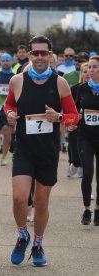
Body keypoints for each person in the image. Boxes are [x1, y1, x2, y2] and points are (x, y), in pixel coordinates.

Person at [5, 35, 79, 267]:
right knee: (19, 198)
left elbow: (73, 116)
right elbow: (8, 105)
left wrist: (58, 117)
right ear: (28, 54)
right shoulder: (18, 81)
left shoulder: (60, 83)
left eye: (43, 53)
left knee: (41, 202)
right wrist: (8, 114)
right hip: (24, 148)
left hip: (48, 151)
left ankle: (37, 243)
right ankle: (22, 235)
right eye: (35, 53)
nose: (39, 57)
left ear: (50, 55)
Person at [71, 56, 99, 225]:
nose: (91, 70)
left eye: (95, 67)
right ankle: (87, 209)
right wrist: (74, 121)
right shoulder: (82, 89)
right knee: (87, 172)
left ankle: (98, 210)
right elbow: (74, 110)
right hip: (85, 136)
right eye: (89, 67)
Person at [67, 62, 89, 178]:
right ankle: (74, 163)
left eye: (89, 71)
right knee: (75, 153)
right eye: (84, 72)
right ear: (81, 73)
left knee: (87, 153)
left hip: (90, 126)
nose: (87, 74)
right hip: (75, 124)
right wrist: (71, 121)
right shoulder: (75, 89)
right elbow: (69, 108)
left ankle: (84, 167)